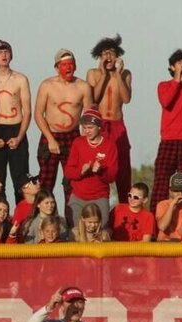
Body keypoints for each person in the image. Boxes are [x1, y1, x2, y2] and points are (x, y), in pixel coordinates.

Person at [34, 49, 93, 222]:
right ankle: (43, 222)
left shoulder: (83, 87)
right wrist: (50, 139)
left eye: (71, 64)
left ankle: (72, 223)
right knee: (46, 181)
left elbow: (87, 117)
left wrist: (84, 143)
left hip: (73, 136)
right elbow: (38, 114)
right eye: (64, 65)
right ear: (57, 67)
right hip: (50, 134)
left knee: (72, 182)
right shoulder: (47, 85)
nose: (69, 68)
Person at [152, 49, 182, 213]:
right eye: (180, 63)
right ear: (172, 67)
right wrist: (177, 80)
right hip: (169, 139)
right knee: (161, 181)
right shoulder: (164, 85)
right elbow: (166, 101)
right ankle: (156, 222)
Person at [86, 34, 133, 203]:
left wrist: (117, 75)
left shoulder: (125, 74)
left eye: (112, 53)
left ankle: (124, 204)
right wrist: (104, 74)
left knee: (123, 168)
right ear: (99, 56)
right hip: (100, 124)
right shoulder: (93, 73)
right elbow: (93, 99)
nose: (108, 57)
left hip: (118, 123)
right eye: (105, 53)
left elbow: (126, 98)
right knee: (98, 165)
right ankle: (97, 202)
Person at [0, 39, 32, 204]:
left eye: (6, 52)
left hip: (16, 128)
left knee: (21, 180)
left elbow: (27, 111)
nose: (3, 55)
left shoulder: (20, 79)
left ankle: (22, 218)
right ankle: (1, 218)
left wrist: (20, 137)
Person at [64, 108, 117, 228]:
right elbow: (68, 171)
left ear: (99, 127)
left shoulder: (109, 145)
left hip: (99, 196)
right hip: (78, 196)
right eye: (85, 127)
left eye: (90, 128)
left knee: (100, 231)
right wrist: (81, 171)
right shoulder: (78, 143)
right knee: (76, 232)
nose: (87, 131)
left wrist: (101, 171)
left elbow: (112, 176)